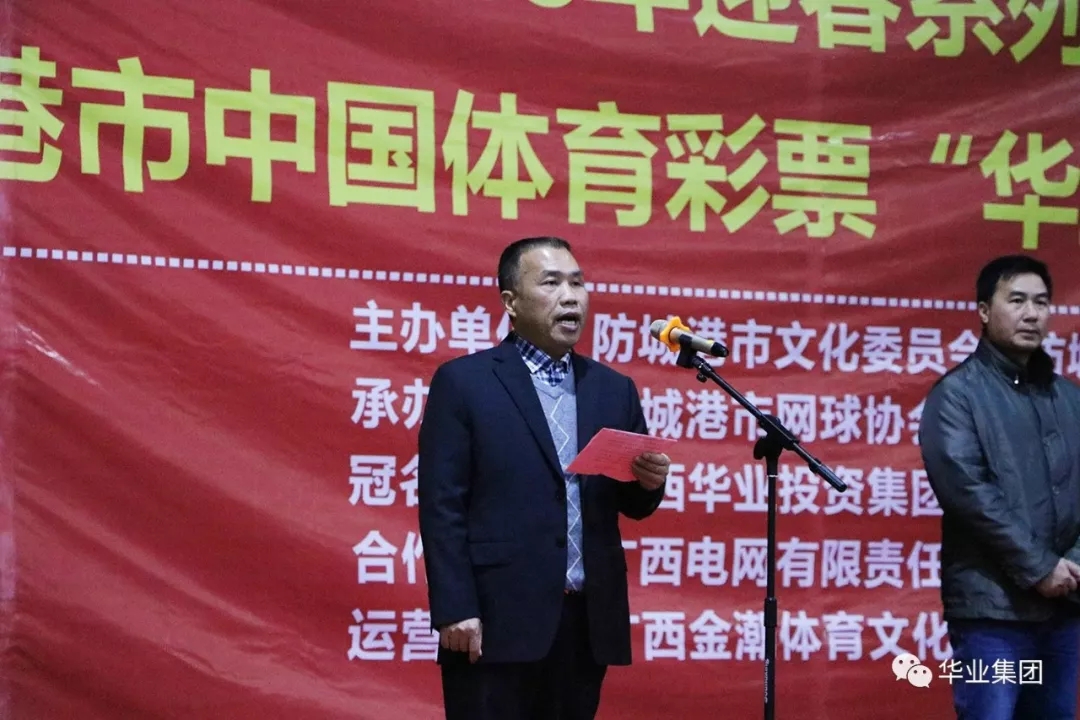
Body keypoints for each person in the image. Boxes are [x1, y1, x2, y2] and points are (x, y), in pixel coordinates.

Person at [417, 236, 671, 720]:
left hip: (584, 623)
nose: (571, 297)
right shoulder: (465, 382)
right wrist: (455, 607)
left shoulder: (613, 389)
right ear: (511, 302)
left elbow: (631, 505)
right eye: (551, 283)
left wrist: (648, 482)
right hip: (494, 619)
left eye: (577, 283)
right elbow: (441, 505)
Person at [919, 254, 1080, 719]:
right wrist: (1040, 568)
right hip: (992, 612)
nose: (1032, 314)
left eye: (1041, 303)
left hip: (1064, 608)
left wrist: (1073, 564)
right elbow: (969, 494)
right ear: (985, 311)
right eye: (1017, 301)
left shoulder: (1070, 398)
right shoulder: (957, 396)